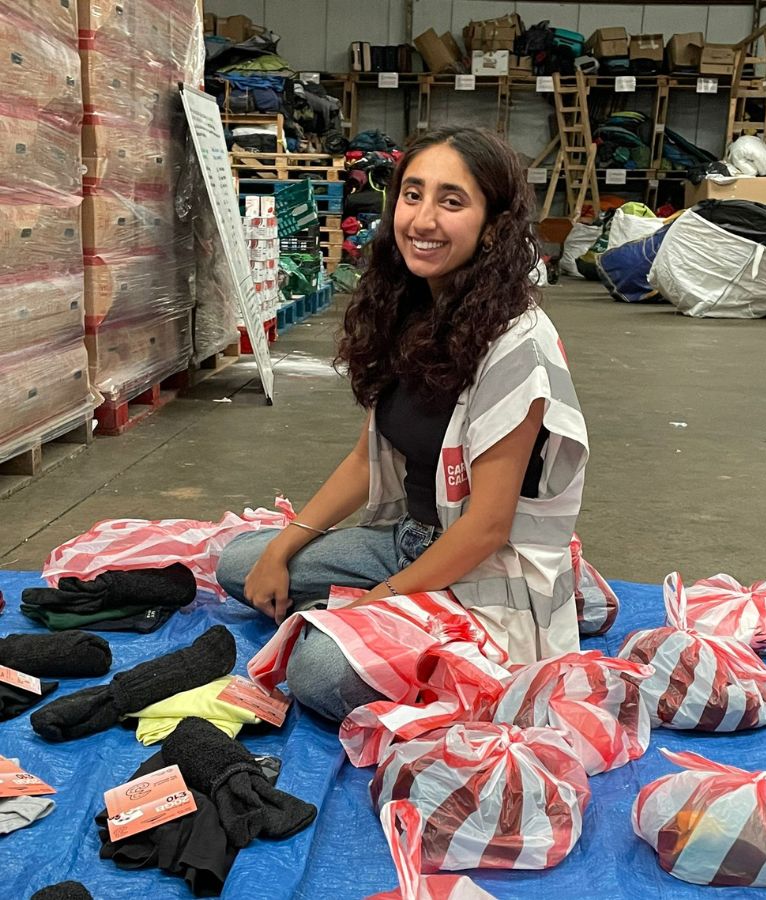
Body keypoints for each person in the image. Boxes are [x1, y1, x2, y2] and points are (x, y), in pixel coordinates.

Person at [216, 126, 589, 722]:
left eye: (451, 201)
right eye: (412, 195)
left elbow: (487, 529)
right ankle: (392, 622)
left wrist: (376, 603)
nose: (422, 219)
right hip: (409, 539)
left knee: (317, 671)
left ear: (493, 225)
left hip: (483, 569)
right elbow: (369, 458)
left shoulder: (518, 346)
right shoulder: (410, 307)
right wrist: (284, 546)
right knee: (242, 565)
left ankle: (470, 623)